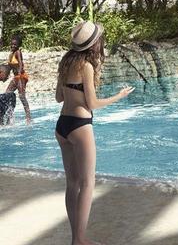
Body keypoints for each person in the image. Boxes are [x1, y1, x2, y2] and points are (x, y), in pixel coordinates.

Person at [56, 21, 135, 245]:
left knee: (72, 183)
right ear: (93, 43)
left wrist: (72, 91)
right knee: (88, 182)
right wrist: (119, 96)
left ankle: (76, 239)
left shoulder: (65, 62)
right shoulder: (87, 66)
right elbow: (92, 103)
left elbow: (59, 98)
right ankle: (80, 241)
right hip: (80, 126)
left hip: (62, 126)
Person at [6, 34, 31, 124]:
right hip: (15, 78)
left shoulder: (18, 52)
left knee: (21, 96)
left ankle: (28, 118)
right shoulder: (10, 54)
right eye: (12, 44)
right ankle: (9, 118)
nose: (13, 46)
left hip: (21, 77)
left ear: (18, 45)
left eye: (15, 45)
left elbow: (20, 63)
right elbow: (9, 67)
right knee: (7, 95)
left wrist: (20, 74)